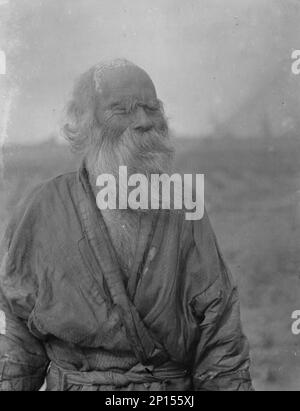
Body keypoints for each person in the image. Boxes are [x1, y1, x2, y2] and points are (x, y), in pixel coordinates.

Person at [0, 59, 253, 391]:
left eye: (152, 108)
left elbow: (220, 336)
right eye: (122, 110)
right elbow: (18, 342)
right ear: (83, 121)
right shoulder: (43, 207)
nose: (144, 121)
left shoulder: (182, 209)